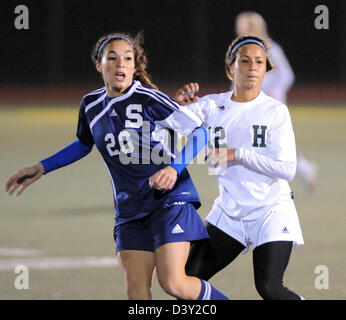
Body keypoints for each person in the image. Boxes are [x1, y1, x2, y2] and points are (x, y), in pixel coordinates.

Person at [5, 32, 230, 300]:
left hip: (169, 200)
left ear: (135, 66)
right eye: (112, 58)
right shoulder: (90, 104)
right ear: (99, 65)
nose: (120, 64)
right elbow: (82, 144)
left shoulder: (149, 99)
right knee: (136, 296)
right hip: (130, 209)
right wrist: (42, 167)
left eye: (127, 58)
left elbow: (200, 132)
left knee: (174, 283)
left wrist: (174, 169)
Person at [174, 35, 305, 300]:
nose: (253, 67)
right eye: (244, 60)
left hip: (270, 211)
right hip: (230, 213)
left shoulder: (275, 111)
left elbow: (287, 170)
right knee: (184, 280)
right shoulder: (211, 105)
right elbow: (168, 127)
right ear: (230, 67)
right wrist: (176, 105)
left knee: (270, 288)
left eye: (259, 62)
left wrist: (239, 154)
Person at [235, 11, 318, 192]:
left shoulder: (272, 49)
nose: (246, 31)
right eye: (243, 27)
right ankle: (303, 169)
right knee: (259, 145)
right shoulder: (241, 50)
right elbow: (236, 80)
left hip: (271, 106)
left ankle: (297, 172)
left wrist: (274, 91)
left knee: (272, 146)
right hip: (251, 106)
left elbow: (288, 75)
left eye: (250, 27)